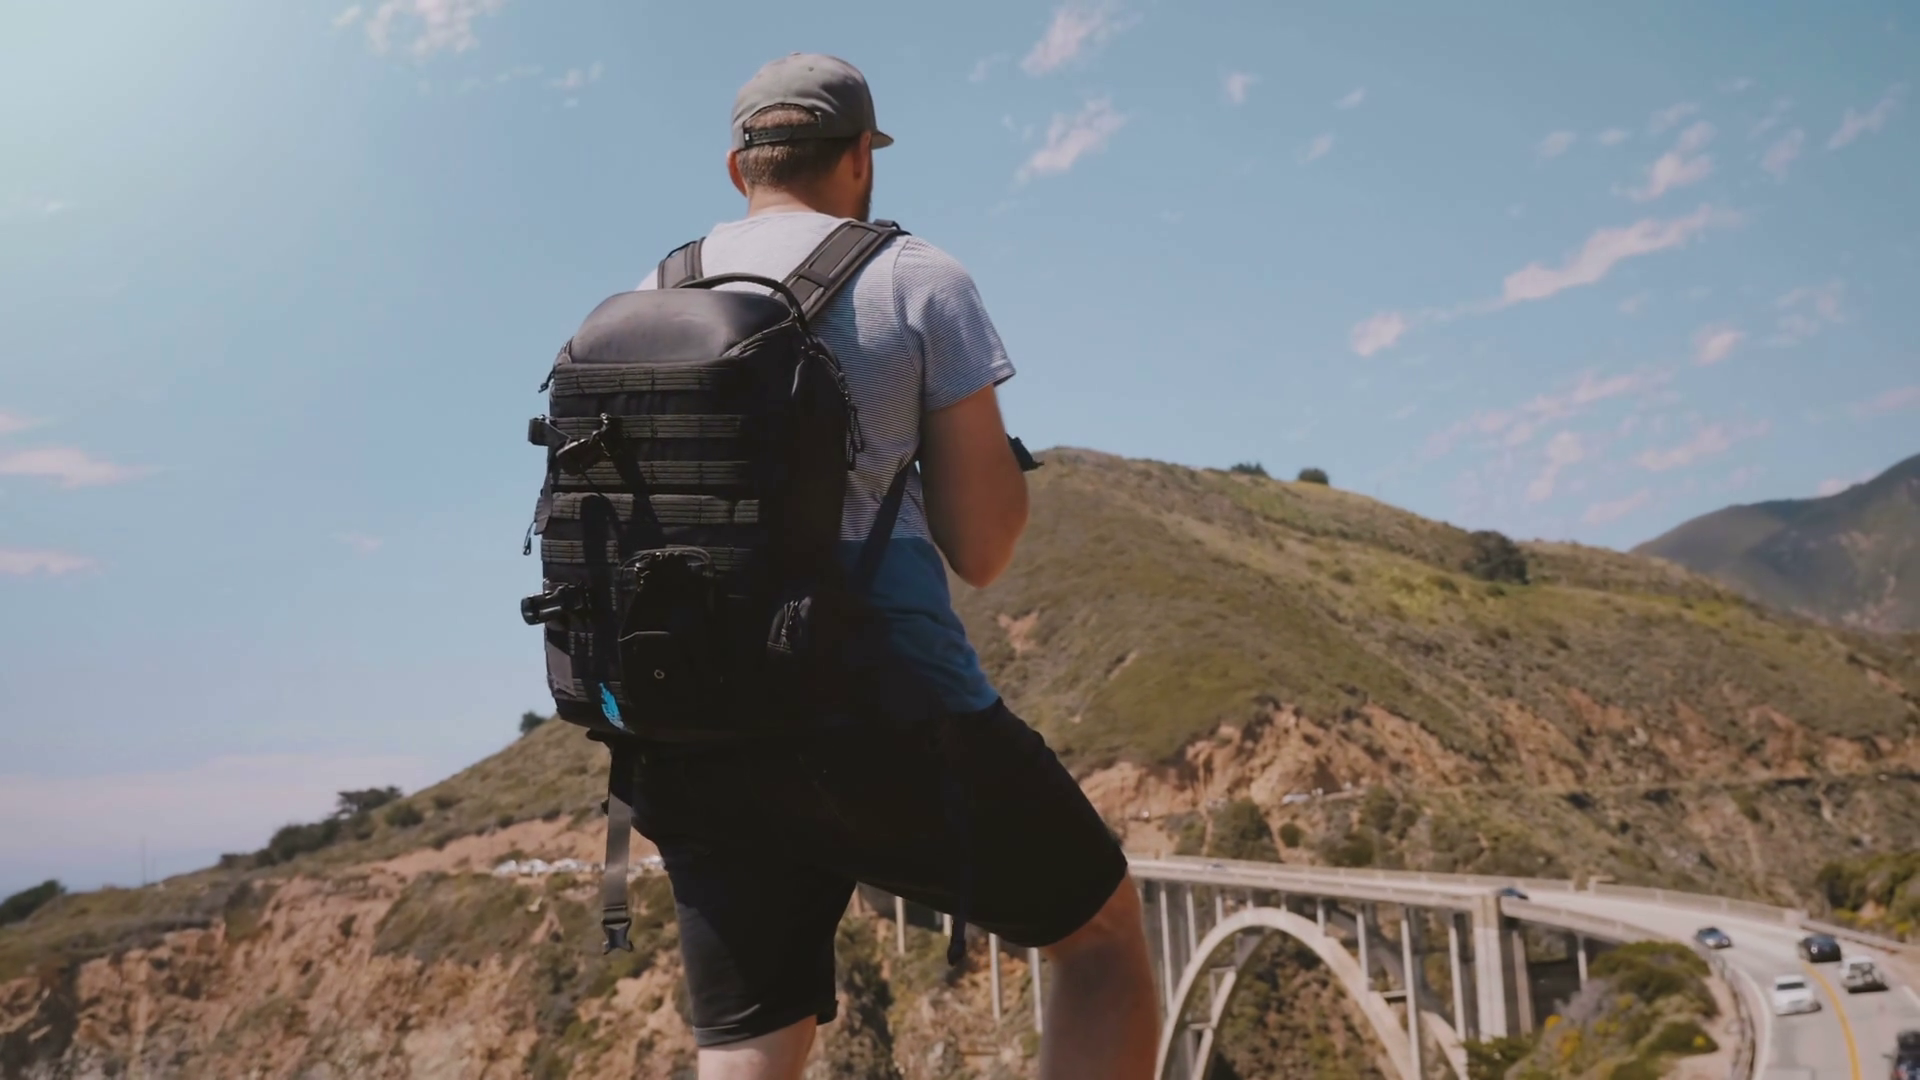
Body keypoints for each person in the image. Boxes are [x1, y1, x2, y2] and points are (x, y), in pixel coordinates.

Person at [623, 53, 1158, 1080]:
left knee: (749, 1048)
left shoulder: (653, 291)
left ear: (739, 168)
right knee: (1100, 941)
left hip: (689, 728)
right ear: (862, 158)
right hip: (885, 708)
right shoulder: (917, 278)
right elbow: (984, 550)